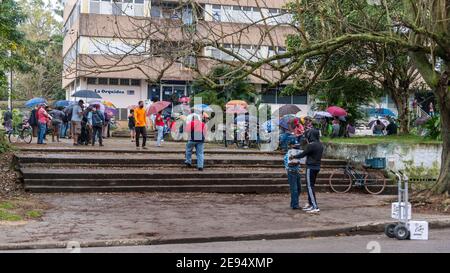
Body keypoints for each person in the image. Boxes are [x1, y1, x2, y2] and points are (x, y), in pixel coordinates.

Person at [291, 128, 323, 214]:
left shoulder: (311, 145)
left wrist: (294, 156)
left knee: (310, 187)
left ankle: (315, 206)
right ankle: (310, 204)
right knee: (311, 186)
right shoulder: (320, 144)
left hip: (311, 167)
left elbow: (303, 154)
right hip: (317, 167)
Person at [284, 143, 302, 210]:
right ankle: (295, 205)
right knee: (294, 189)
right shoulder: (288, 154)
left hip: (296, 172)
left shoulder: (298, 154)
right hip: (291, 172)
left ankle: (293, 203)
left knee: (299, 189)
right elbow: (288, 164)